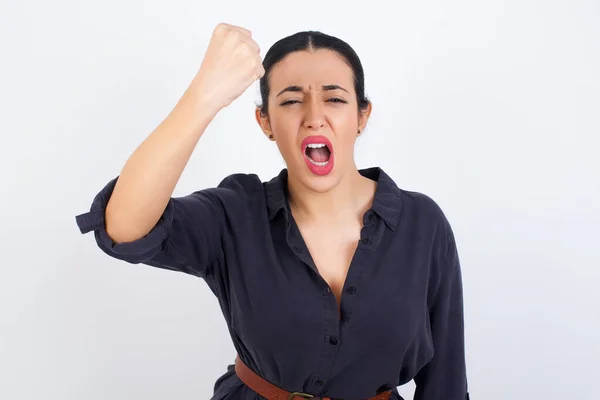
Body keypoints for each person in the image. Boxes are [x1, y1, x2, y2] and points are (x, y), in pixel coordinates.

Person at [75, 23, 470, 400]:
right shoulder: (235, 214)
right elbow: (123, 227)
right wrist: (205, 94)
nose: (314, 116)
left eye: (334, 98)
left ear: (362, 116)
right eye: (291, 100)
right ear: (265, 121)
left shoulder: (423, 225)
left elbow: (445, 383)